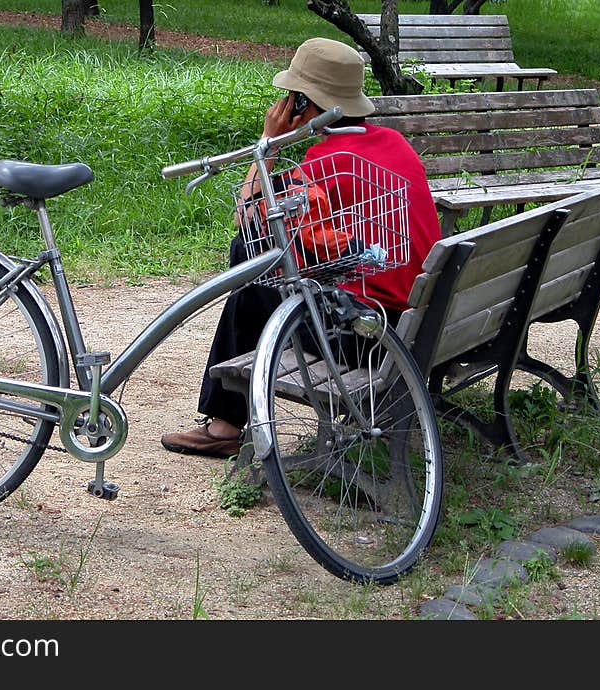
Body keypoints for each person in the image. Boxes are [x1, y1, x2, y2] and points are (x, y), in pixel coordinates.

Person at [161, 37, 442, 459]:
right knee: (264, 262)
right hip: (420, 324)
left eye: (291, 97)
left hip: (365, 336)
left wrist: (268, 143)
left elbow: (248, 218)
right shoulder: (393, 143)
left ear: (303, 105)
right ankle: (225, 420)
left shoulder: (325, 160)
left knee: (250, 257)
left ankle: (225, 423)